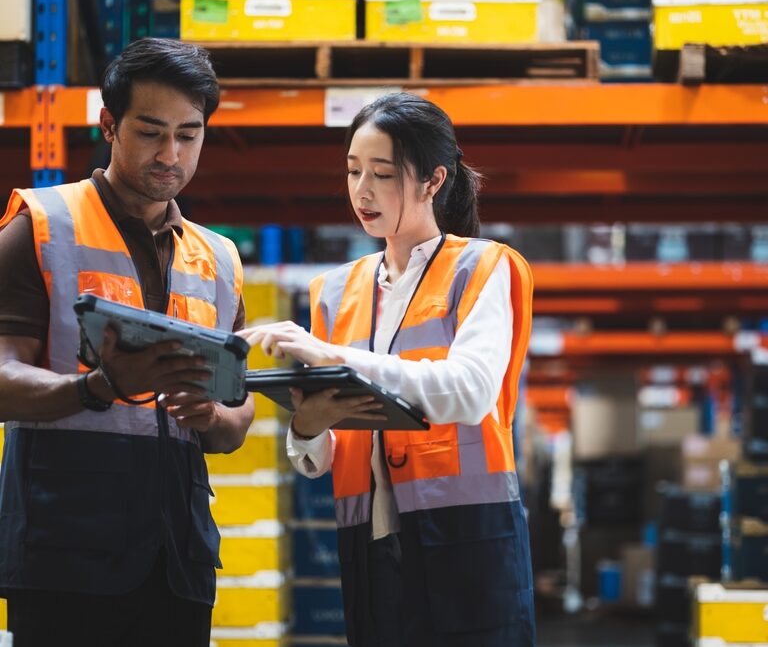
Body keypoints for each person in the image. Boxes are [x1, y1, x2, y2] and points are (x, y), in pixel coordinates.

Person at [239, 92, 535, 646]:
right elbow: (319, 457)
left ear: (432, 181)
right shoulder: (333, 291)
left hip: (467, 535)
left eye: (382, 173)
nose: (362, 191)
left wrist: (333, 356)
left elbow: (469, 393)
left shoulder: (483, 267)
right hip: (370, 549)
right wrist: (306, 427)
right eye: (353, 171)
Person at [0, 38, 255, 647]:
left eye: (189, 135)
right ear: (109, 125)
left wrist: (217, 415)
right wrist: (100, 386)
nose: (171, 154)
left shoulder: (219, 258)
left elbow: (238, 412)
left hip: (179, 561)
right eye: (151, 132)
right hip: (63, 556)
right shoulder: (37, 225)